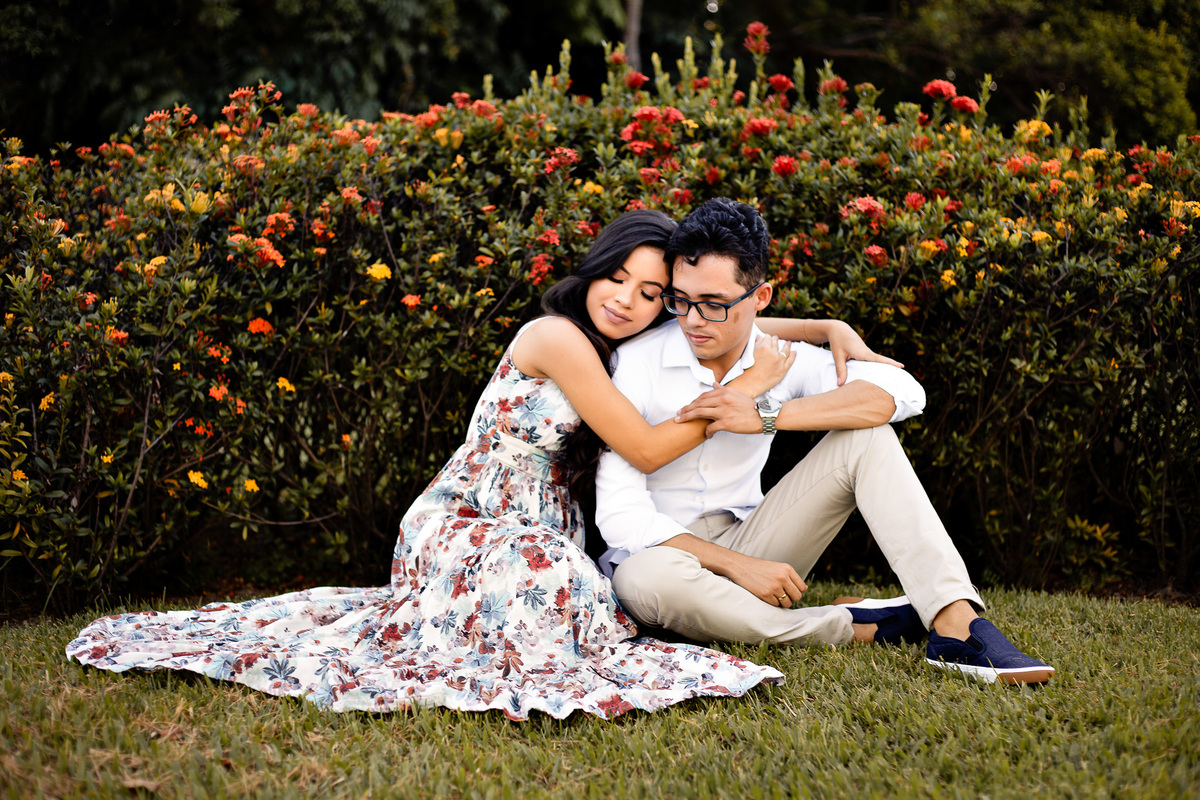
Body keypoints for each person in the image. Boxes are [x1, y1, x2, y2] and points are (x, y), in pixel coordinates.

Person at [67, 209, 900, 719]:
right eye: (618, 278)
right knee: (551, 581)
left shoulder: (630, 344)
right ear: (593, 271)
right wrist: (744, 394)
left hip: (545, 525)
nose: (630, 300)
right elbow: (646, 449)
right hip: (469, 520)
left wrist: (824, 329)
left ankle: (855, 619)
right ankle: (851, 623)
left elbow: (733, 318)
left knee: (567, 582)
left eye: (653, 294)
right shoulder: (557, 338)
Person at [595, 198, 1055, 685]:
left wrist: (767, 416)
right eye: (680, 300)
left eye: (713, 304)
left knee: (866, 436)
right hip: (666, 557)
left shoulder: (778, 357)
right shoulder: (635, 364)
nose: (692, 320)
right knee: (640, 580)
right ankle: (850, 625)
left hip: (758, 539)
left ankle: (955, 624)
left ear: (760, 297)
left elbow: (903, 392)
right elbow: (622, 519)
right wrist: (739, 567)